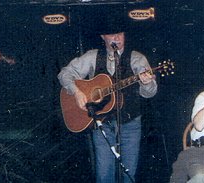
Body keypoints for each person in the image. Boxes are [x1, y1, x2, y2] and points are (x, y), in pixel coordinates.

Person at [57, 19, 157, 183]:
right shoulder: (92, 56)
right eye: (112, 34)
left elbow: (149, 93)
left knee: (129, 175)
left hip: (130, 123)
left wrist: (147, 83)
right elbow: (64, 74)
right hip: (102, 123)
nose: (117, 37)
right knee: (104, 175)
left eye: (120, 33)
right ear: (103, 37)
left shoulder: (137, 59)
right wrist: (76, 92)